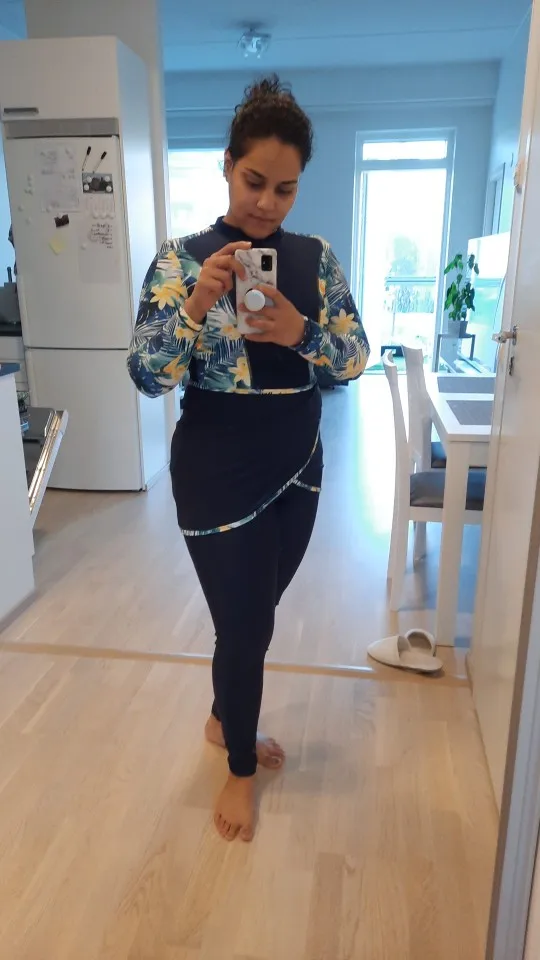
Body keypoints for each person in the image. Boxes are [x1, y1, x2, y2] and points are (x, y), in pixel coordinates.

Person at [127, 76, 370, 842]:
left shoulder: (316, 259)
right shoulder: (181, 259)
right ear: (228, 166)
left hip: (299, 465)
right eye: (254, 180)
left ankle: (219, 715)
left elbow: (355, 359)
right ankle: (238, 767)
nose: (267, 203)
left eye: (285, 189)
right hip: (215, 470)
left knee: (250, 618)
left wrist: (301, 332)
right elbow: (147, 376)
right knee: (247, 627)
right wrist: (197, 304)